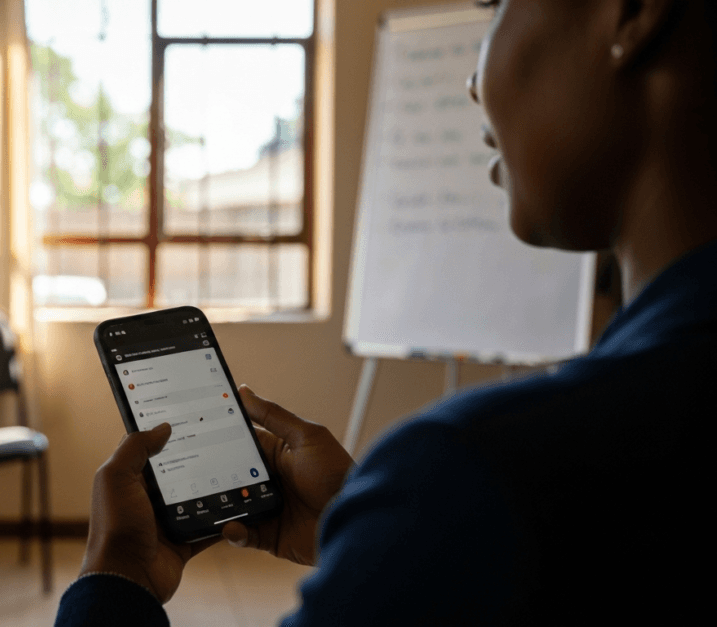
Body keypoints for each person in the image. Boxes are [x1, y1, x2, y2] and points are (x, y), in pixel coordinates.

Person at [56, 0, 716, 624]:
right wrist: (380, 532)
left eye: (496, 5)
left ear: (630, 12)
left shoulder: (479, 474)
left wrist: (115, 579)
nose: (469, 80)